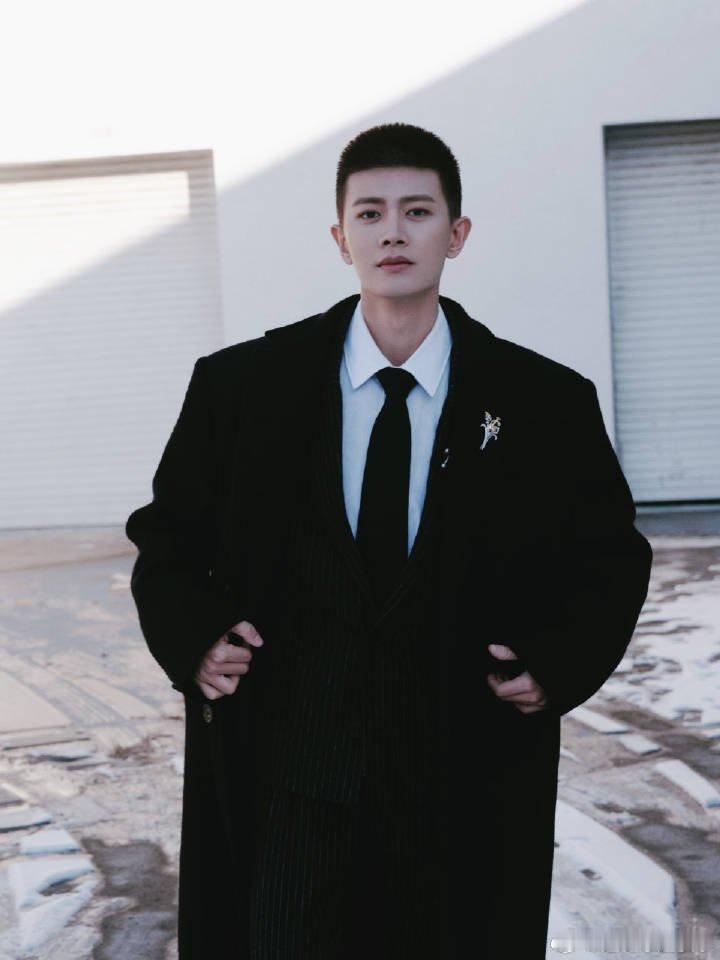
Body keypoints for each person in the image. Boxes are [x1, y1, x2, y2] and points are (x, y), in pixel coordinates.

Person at [125, 122, 653, 958]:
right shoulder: (242, 390)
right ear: (341, 238)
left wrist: (559, 660)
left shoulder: (544, 400)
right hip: (290, 780)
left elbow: (609, 556)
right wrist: (194, 637)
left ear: (457, 233)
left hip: (462, 781)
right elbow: (167, 538)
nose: (393, 233)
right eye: (369, 213)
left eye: (417, 211)